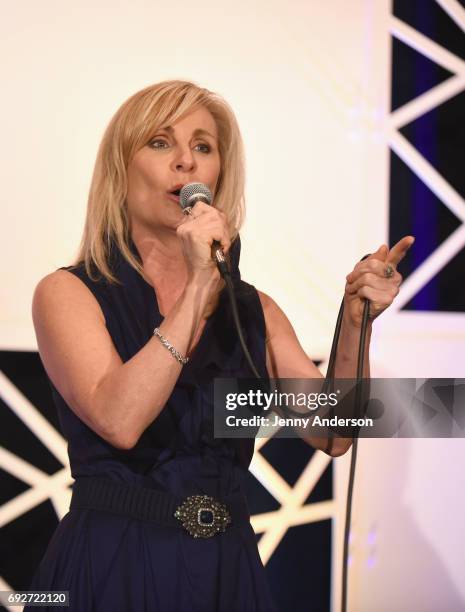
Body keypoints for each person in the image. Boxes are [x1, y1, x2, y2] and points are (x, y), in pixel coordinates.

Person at [27, 80, 413, 611]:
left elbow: (333, 432)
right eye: (160, 143)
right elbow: (120, 418)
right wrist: (198, 289)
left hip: (224, 570)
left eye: (203, 147)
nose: (185, 161)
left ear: (218, 177)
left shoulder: (254, 309)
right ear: (120, 171)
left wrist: (353, 322)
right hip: (112, 560)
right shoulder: (68, 293)